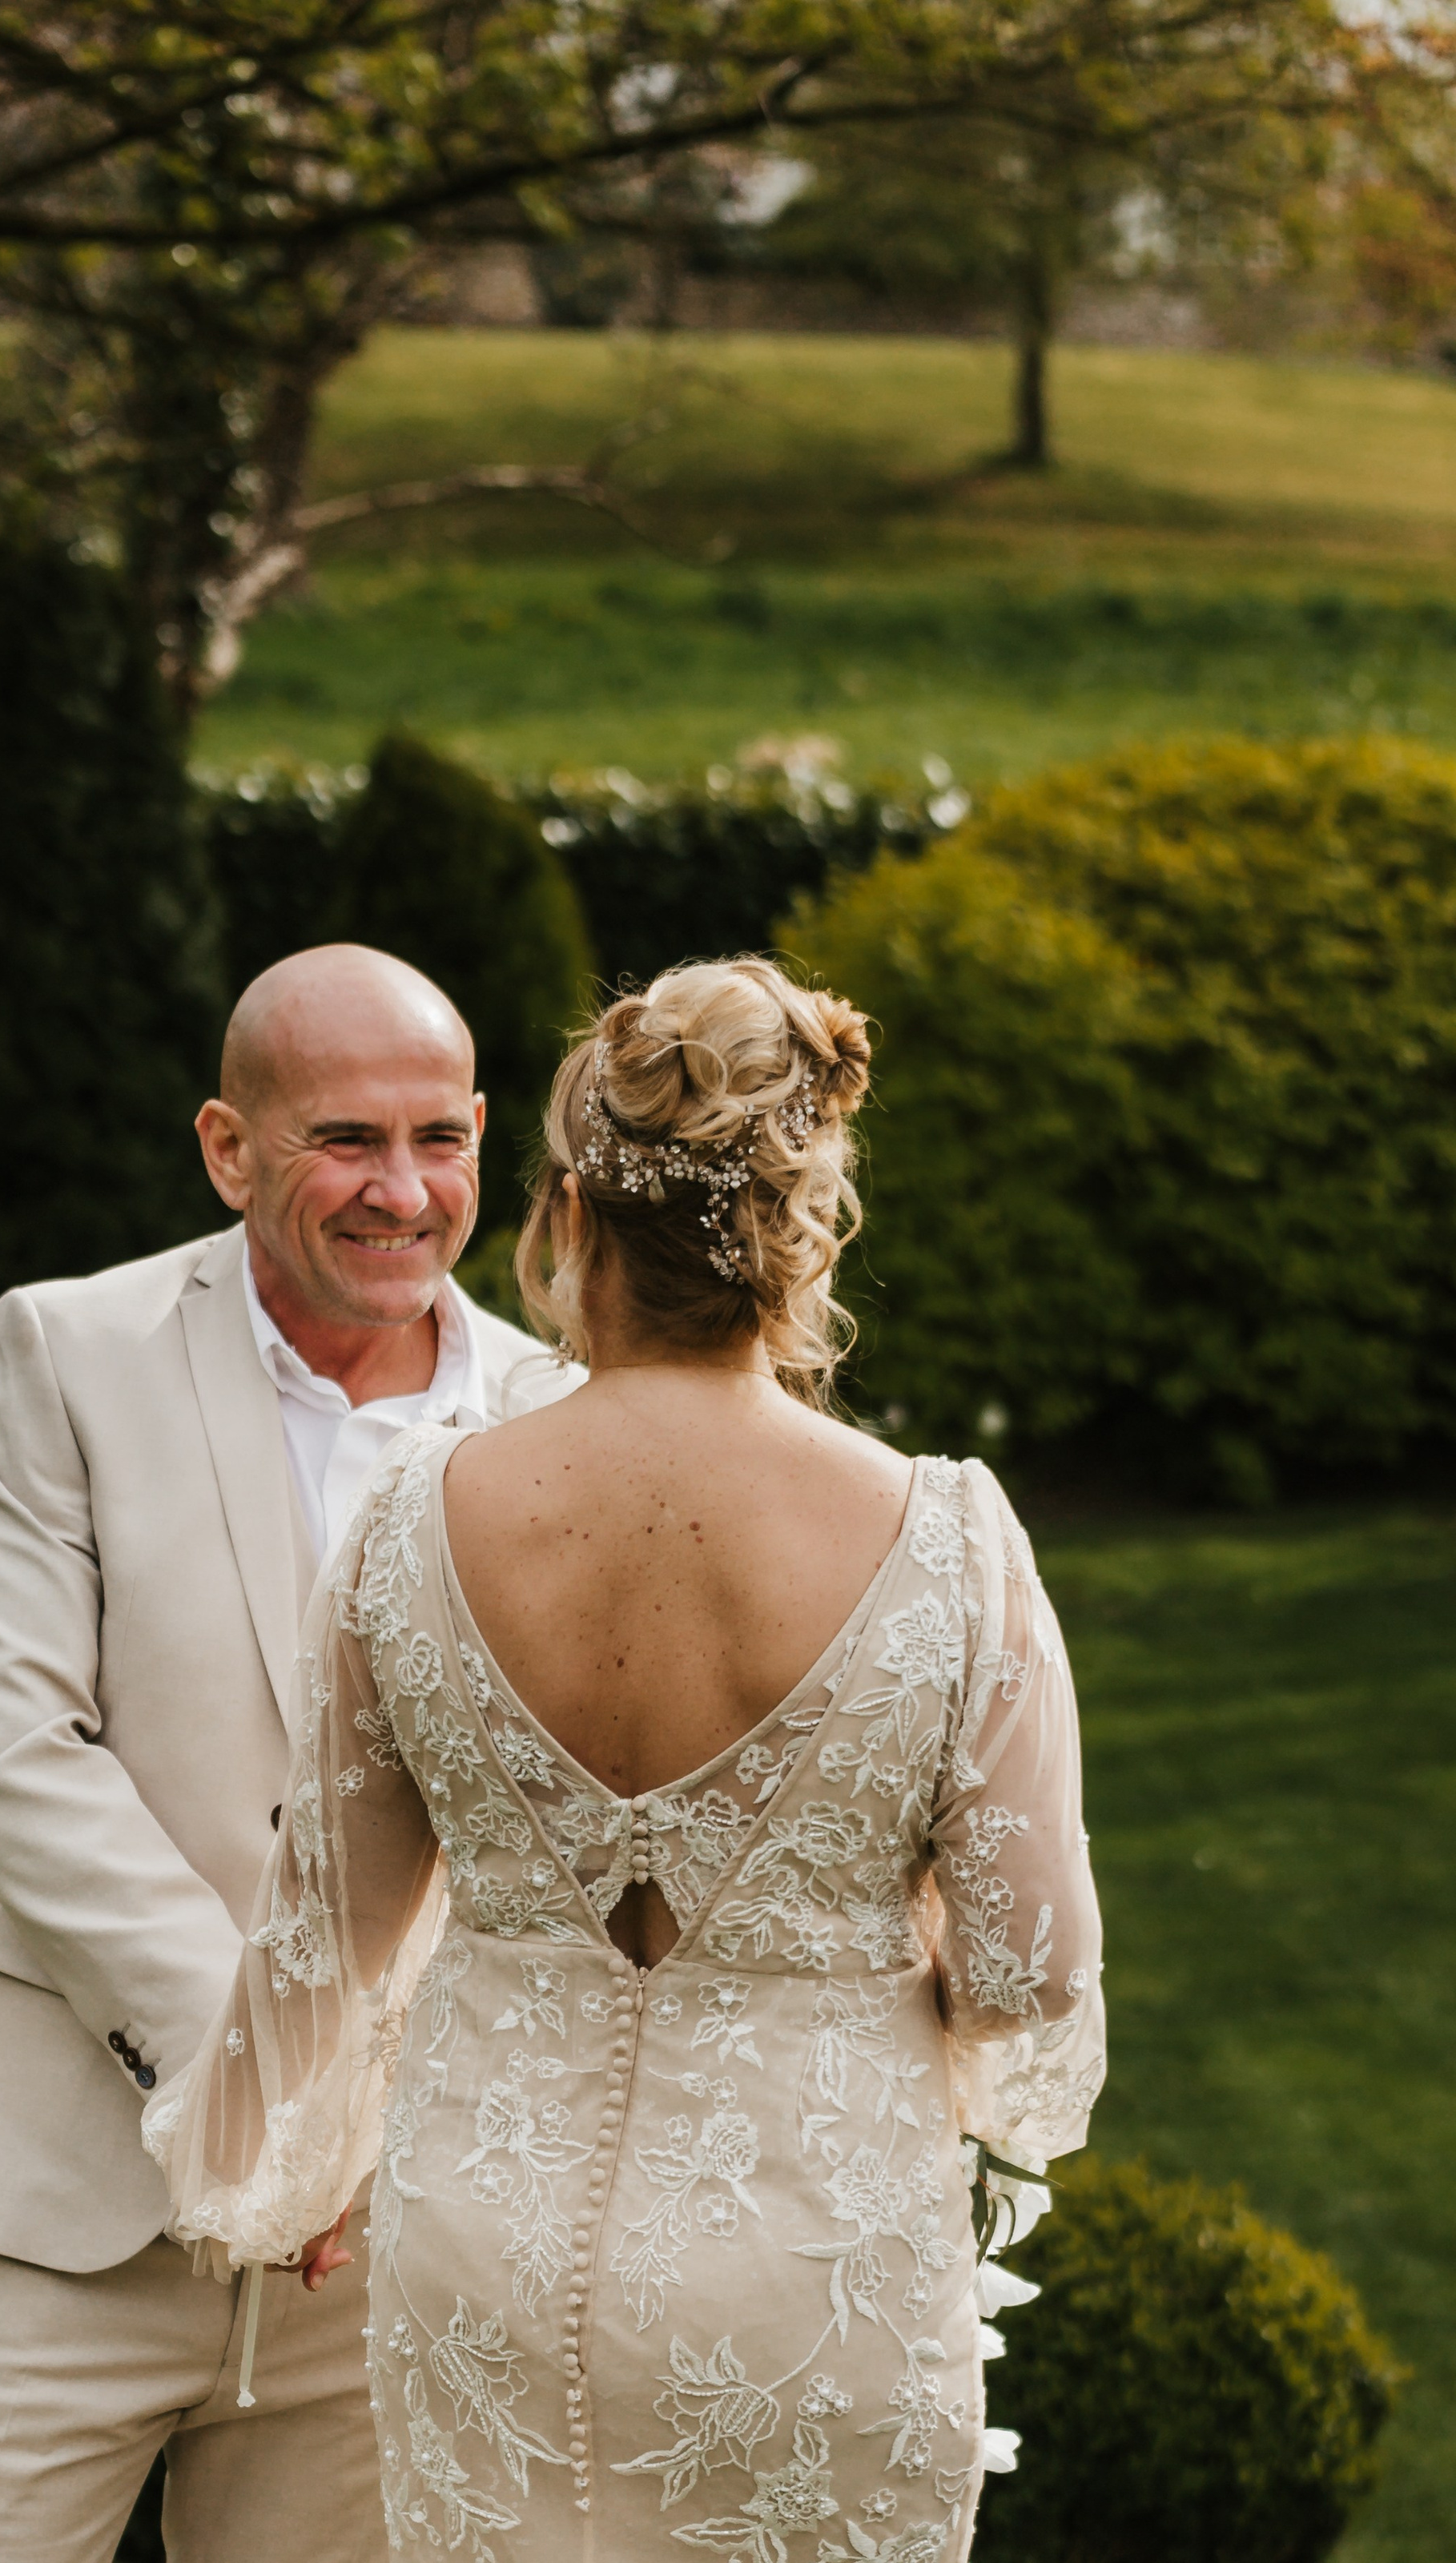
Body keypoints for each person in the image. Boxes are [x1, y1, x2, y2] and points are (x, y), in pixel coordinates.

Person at [147, 956, 1107, 2563]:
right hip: (810, 2263)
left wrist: (261, 2173)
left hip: (489, 2255)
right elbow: (1026, 1968)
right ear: (806, 1214)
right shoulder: (944, 1538)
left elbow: (329, 1932)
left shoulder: (412, 1520)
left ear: (567, 1210)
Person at [0, 944, 576, 2563]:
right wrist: (265, 2093)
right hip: (57, 2198)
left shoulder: (559, 1417)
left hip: (384, 2247)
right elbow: (15, 1747)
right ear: (229, 1147)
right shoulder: (64, 1349)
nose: (401, 1190)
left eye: (436, 1138)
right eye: (344, 1140)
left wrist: (360, 2138)